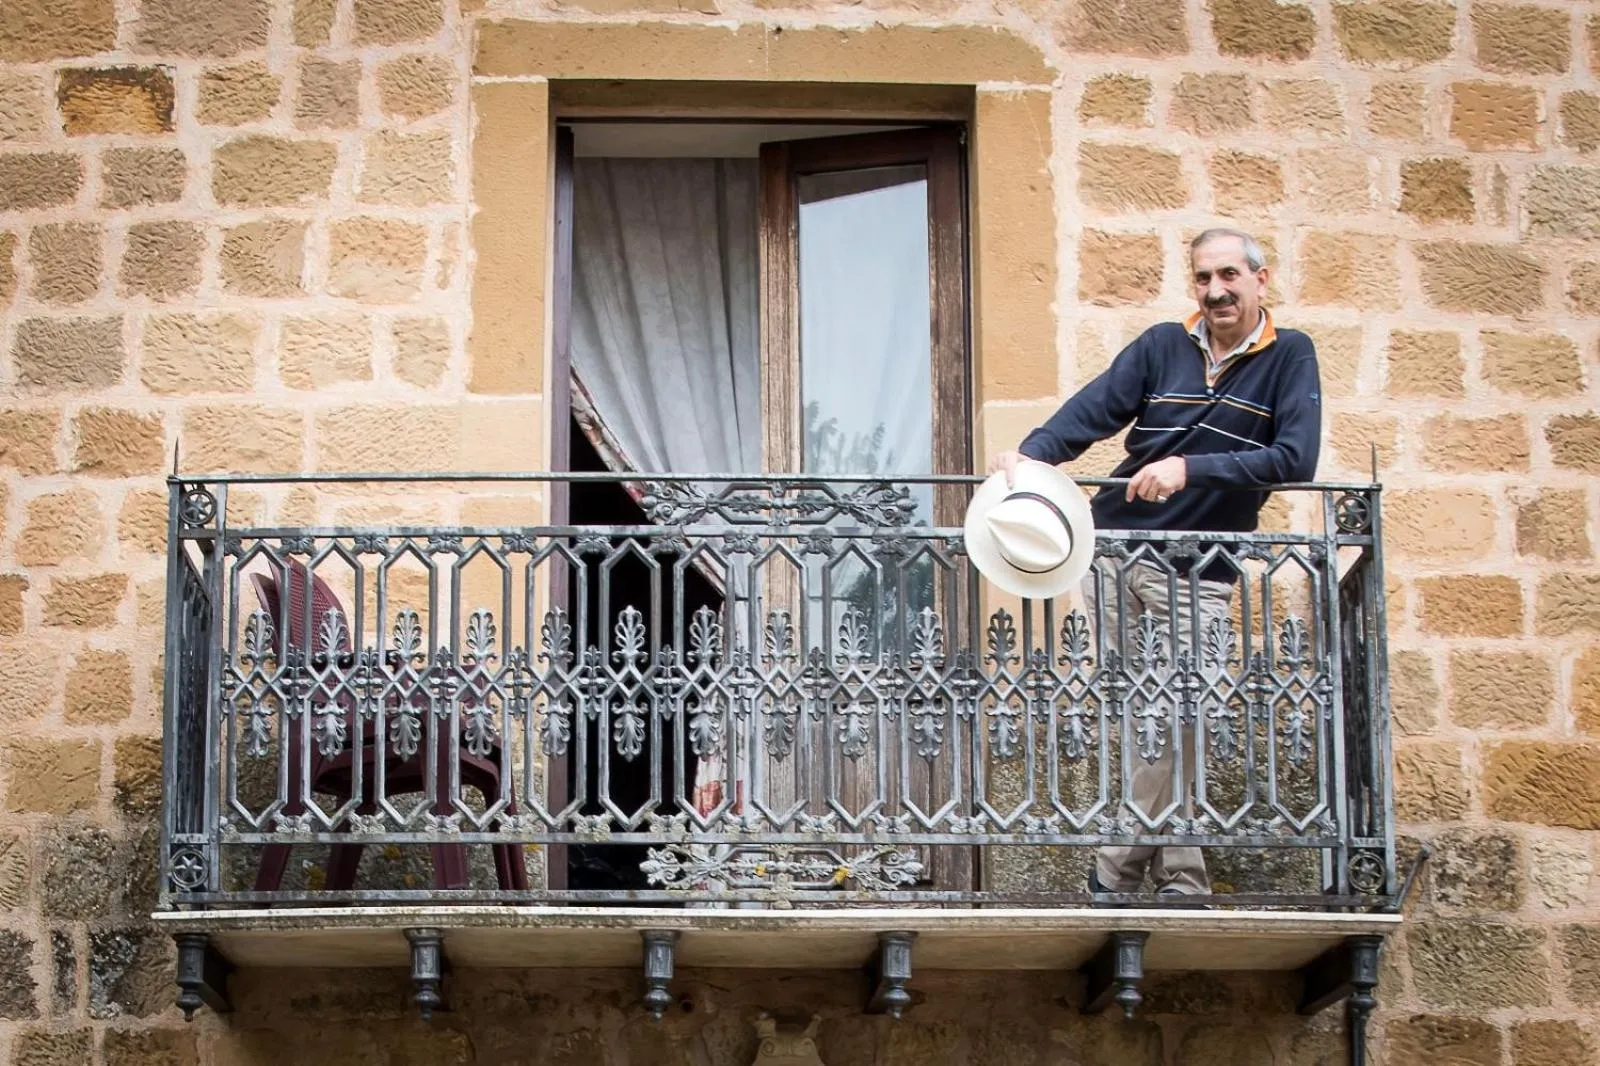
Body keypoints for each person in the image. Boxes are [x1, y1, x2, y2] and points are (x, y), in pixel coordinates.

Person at [989, 227, 1322, 901]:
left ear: (1263, 280)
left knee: (1183, 710)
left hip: (1199, 567)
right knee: (1145, 712)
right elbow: (1093, 410)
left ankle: (1115, 862)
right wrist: (1030, 455)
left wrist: (1187, 468)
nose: (1216, 290)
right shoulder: (1163, 346)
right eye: (1203, 278)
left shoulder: (1290, 356)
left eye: (1229, 275)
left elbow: (1294, 458)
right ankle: (1180, 872)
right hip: (1114, 551)